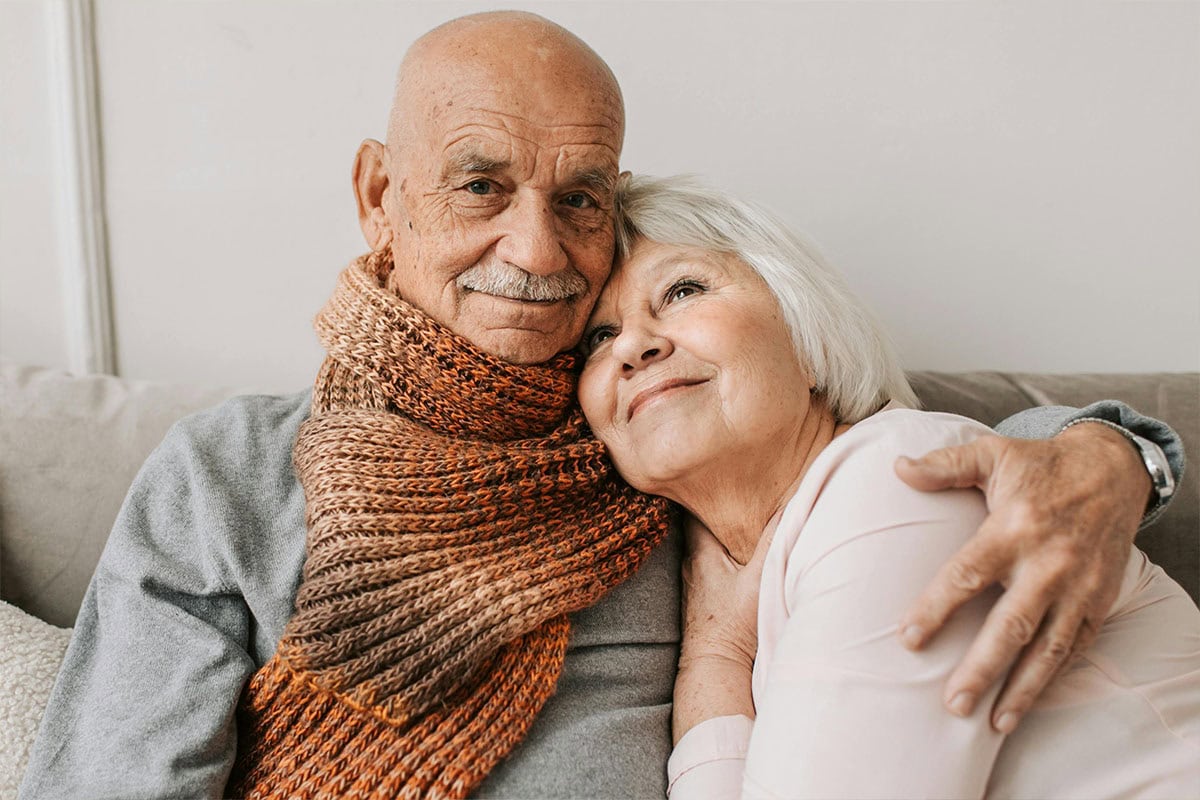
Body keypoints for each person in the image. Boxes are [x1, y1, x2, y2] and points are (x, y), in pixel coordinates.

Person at [19, 12, 1184, 800]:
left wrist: (1107, 452)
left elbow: (905, 457)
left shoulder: (649, 439)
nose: (536, 249)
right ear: (381, 194)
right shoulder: (226, 472)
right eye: (481, 186)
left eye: (579, 199)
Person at [576, 174, 1198, 798]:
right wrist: (717, 655)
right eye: (599, 338)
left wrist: (715, 661)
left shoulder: (902, 476)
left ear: (807, 337)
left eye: (683, 290)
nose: (632, 345)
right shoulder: (753, 578)